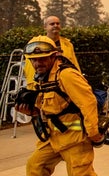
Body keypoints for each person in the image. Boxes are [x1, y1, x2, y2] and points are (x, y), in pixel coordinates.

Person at [16, 36, 102, 176]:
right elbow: (51, 106)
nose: (38, 63)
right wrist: (33, 111)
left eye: (43, 58)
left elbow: (88, 102)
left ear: (54, 56)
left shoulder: (66, 75)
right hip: (53, 137)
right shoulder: (42, 78)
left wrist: (93, 132)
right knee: (35, 167)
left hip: (75, 140)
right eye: (34, 60)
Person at [24, 15, 81, 90]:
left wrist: (79, 79)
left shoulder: (67, 44)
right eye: (52, 24)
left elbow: (74, 64)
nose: (55, 26)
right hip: (42, 86)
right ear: (45, 27)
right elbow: (30, 68)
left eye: (58, 23)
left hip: (65, 84)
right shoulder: (36, 44)